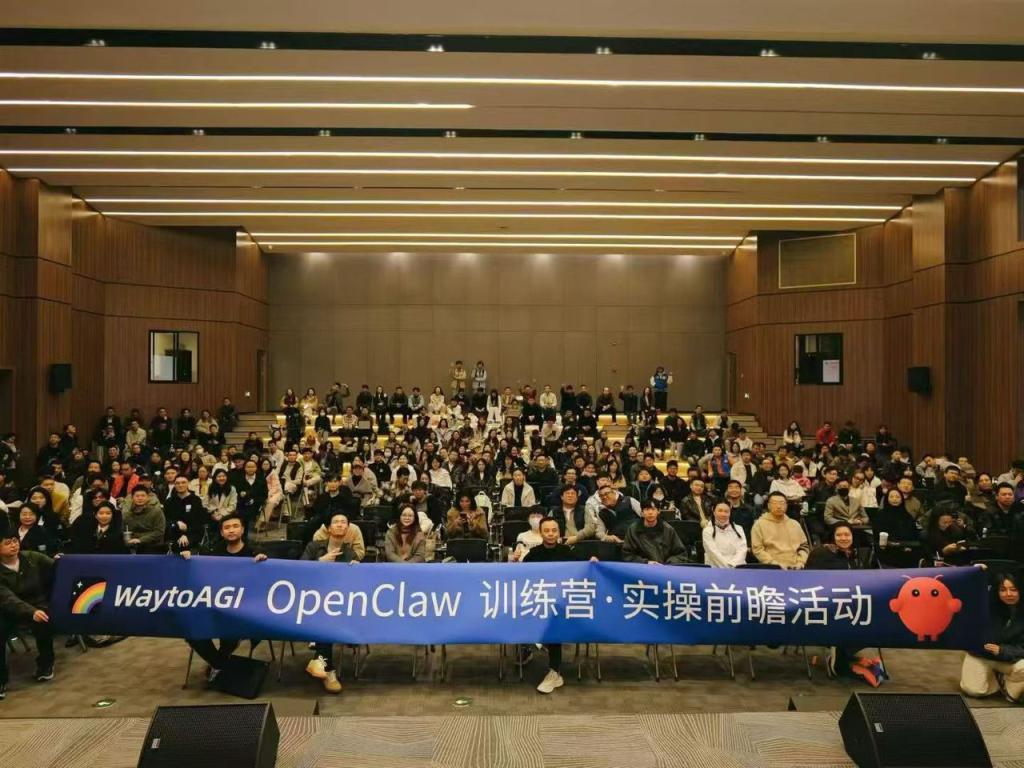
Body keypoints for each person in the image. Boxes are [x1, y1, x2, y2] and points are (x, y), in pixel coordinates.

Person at [180, 516, 267, 682]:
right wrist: (189, 557)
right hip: (215, 607)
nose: (231, 530)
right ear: (221, 532)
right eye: (227, 527)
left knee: (230, 631)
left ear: (242, 529)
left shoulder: (255, 552)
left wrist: (262, 561)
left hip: (245, 609)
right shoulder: (214, 551)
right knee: (192, 632)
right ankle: (220, 663)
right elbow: (199, 567)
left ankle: (219, 664)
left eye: (235, 526)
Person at [807, 523, 886, 686]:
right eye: (839, 535)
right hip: (826, 604)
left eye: (847, 535)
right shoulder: (821, 553)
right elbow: (808, 581)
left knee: (877, 618)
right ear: (832, 537)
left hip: (854, 603)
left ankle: (843, 652)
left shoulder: (855, 555)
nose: (843, 538)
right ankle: (839, 655)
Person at [522, 517, 588, 694]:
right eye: (546, 531)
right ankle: (533, 647)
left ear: (559, 532)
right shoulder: (533, 555)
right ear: (540, 533)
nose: (551, 534)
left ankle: (554, 671)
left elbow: (584, 570)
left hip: (563, 605)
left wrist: (593, 562)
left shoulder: (568, 552)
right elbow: (522, 578)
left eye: (554, 530)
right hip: (537, 603)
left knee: (553, 620)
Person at [301, 512, 359, 694]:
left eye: (344, 522)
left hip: (338, 603)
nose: (340, 525)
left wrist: (357, 571)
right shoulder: (313, 547)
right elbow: (299, 570)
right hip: (310, 600)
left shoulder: (350, 553)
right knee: (324, 617)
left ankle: (321, 663)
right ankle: (328, 671)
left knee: (328, 617)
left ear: (348, 528)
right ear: (328, 528)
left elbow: (353, 585)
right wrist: (320, 561)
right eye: (336, 522)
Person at [0, 532, 57, 698]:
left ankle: (46, 665)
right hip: (8, 609)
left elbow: (55, 565)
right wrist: (31, 612)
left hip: (38, 604)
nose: (14, 545)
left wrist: (59, 559)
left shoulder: (32, 557)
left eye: (15, 541)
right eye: (7, 543)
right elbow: (7, 599)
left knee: (44, 620)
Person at [960, 572, 1024, 704]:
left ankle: (1004, 680)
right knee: (975, 691)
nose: (1008, 594)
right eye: (1003, 590)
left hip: (1009, 658)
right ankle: (993, 677)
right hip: (982, 656)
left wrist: (1003, 651)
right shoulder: (985, 607)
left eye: (1013, 589)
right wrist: (977, 573)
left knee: (1016, 687)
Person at [750, 492, 809, 569]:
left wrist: (800, 562)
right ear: (768, 506)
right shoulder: (759, 524)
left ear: (786, 506)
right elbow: (757, 550)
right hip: (771, 568)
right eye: (774, 503)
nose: (779, 506)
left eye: (782, 503)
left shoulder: (794, 524)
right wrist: (774, 564)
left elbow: (804, 547)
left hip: (795, 567)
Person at [623, 501, 689, 565]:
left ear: (658, 511)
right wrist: (646, 562)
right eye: (647, 509)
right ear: (642, 512)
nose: (650, 512)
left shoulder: (668, 529)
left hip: (664, 568)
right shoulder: (633, 530)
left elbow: (681, 554)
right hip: (642, 568)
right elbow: (627, 555)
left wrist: (667, 565)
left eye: (653, 509)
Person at [120, 486, 166, 552]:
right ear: (132, 498)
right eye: (137, 496)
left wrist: (140, 540)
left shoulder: (157, 512)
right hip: (132, 544)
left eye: (143, 496)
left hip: (153, 545)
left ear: (148, 497)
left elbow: (159, 532)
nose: (140, 498)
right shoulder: (127, 514)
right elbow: (123, 531)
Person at [702, 502, 748, 567]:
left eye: (726, 511)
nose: (723, 514)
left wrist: (732, 565)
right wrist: (727, 567)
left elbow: (742, 550)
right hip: (715, 567)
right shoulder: (707, 531)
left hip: (737, 567)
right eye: (720, 511)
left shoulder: (739, 529)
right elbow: (713, 553)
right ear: (714, 511)